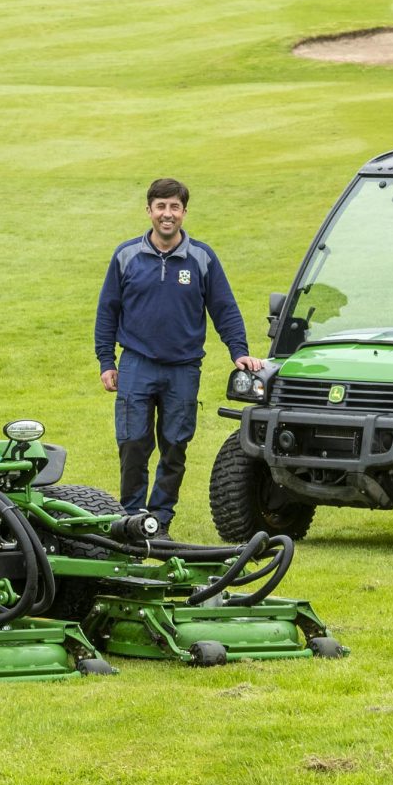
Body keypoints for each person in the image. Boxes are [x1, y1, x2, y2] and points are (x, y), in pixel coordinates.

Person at [94, 177, 262, 534]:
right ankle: (133, 517)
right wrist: (107, 362)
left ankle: (161, 520)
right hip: (137, 363)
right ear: (149, 210)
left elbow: (224, 308)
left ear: (184, 212)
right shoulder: (126, 256)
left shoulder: (202, 258)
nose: (166, 214)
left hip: (183, 369)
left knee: (174, 446)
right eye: (160, 206)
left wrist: (239, 352)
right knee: (133, 444)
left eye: (174, 207)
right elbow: (107, 311)